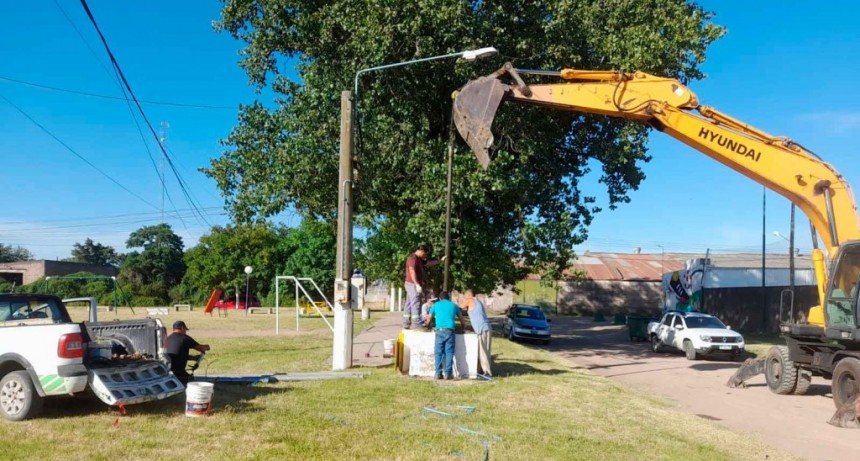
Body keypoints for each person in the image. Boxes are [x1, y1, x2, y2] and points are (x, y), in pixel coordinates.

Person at [425, 291, 464, 380]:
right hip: (450, 331)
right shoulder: (454, 305)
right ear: (448, 298)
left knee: (438, 353)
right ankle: (448, 374)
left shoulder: (436, 305)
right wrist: (463, 326)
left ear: (439, 298)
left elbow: (429, 319)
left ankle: (438, 374)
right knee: (449, 352)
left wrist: (427, 324)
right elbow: (462, 319)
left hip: (439, 331)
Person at [403, 244, 439, 329]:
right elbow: (412, 271)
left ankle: (406, 323)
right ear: (422, 250)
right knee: (416, 302)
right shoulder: (413, 258)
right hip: (412, 284)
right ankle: (417, 323)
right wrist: (416, 284)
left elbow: (428, 263)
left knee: (409, 303)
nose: (425, 255)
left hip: (411, 283)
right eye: (425, 253)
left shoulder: (419, 259)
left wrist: (439, 261)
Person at [166, 320, 210, 385]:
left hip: (167, 371)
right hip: (179, 372)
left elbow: (177, 355)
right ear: (182, 328)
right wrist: (207, 347)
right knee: (192, 383)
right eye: (185, 330)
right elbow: (201, 348)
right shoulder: (184, 338)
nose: (185, 332)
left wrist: (193, 358)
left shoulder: (167, 338)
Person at [463, 289, 492, 377]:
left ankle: (487, 373)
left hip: (481, 329)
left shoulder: (470, 300)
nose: (464, 298)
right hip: (487, 327)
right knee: (486, 351)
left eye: (464, 296)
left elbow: (459, 307)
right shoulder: (478, 301)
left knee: (482, 352)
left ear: (469, 295)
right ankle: (481, 370)